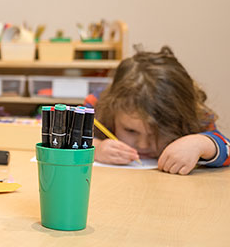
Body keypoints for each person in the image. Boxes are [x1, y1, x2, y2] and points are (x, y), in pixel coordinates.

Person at [90, 46, 228, 175]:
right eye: (130, 131)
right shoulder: (97, 109)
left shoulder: (199, 119)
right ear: (112, 110)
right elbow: (70, 138)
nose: (143, 145)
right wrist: (95, 148)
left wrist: (202, 144)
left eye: (157, 132)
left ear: (181, 119)